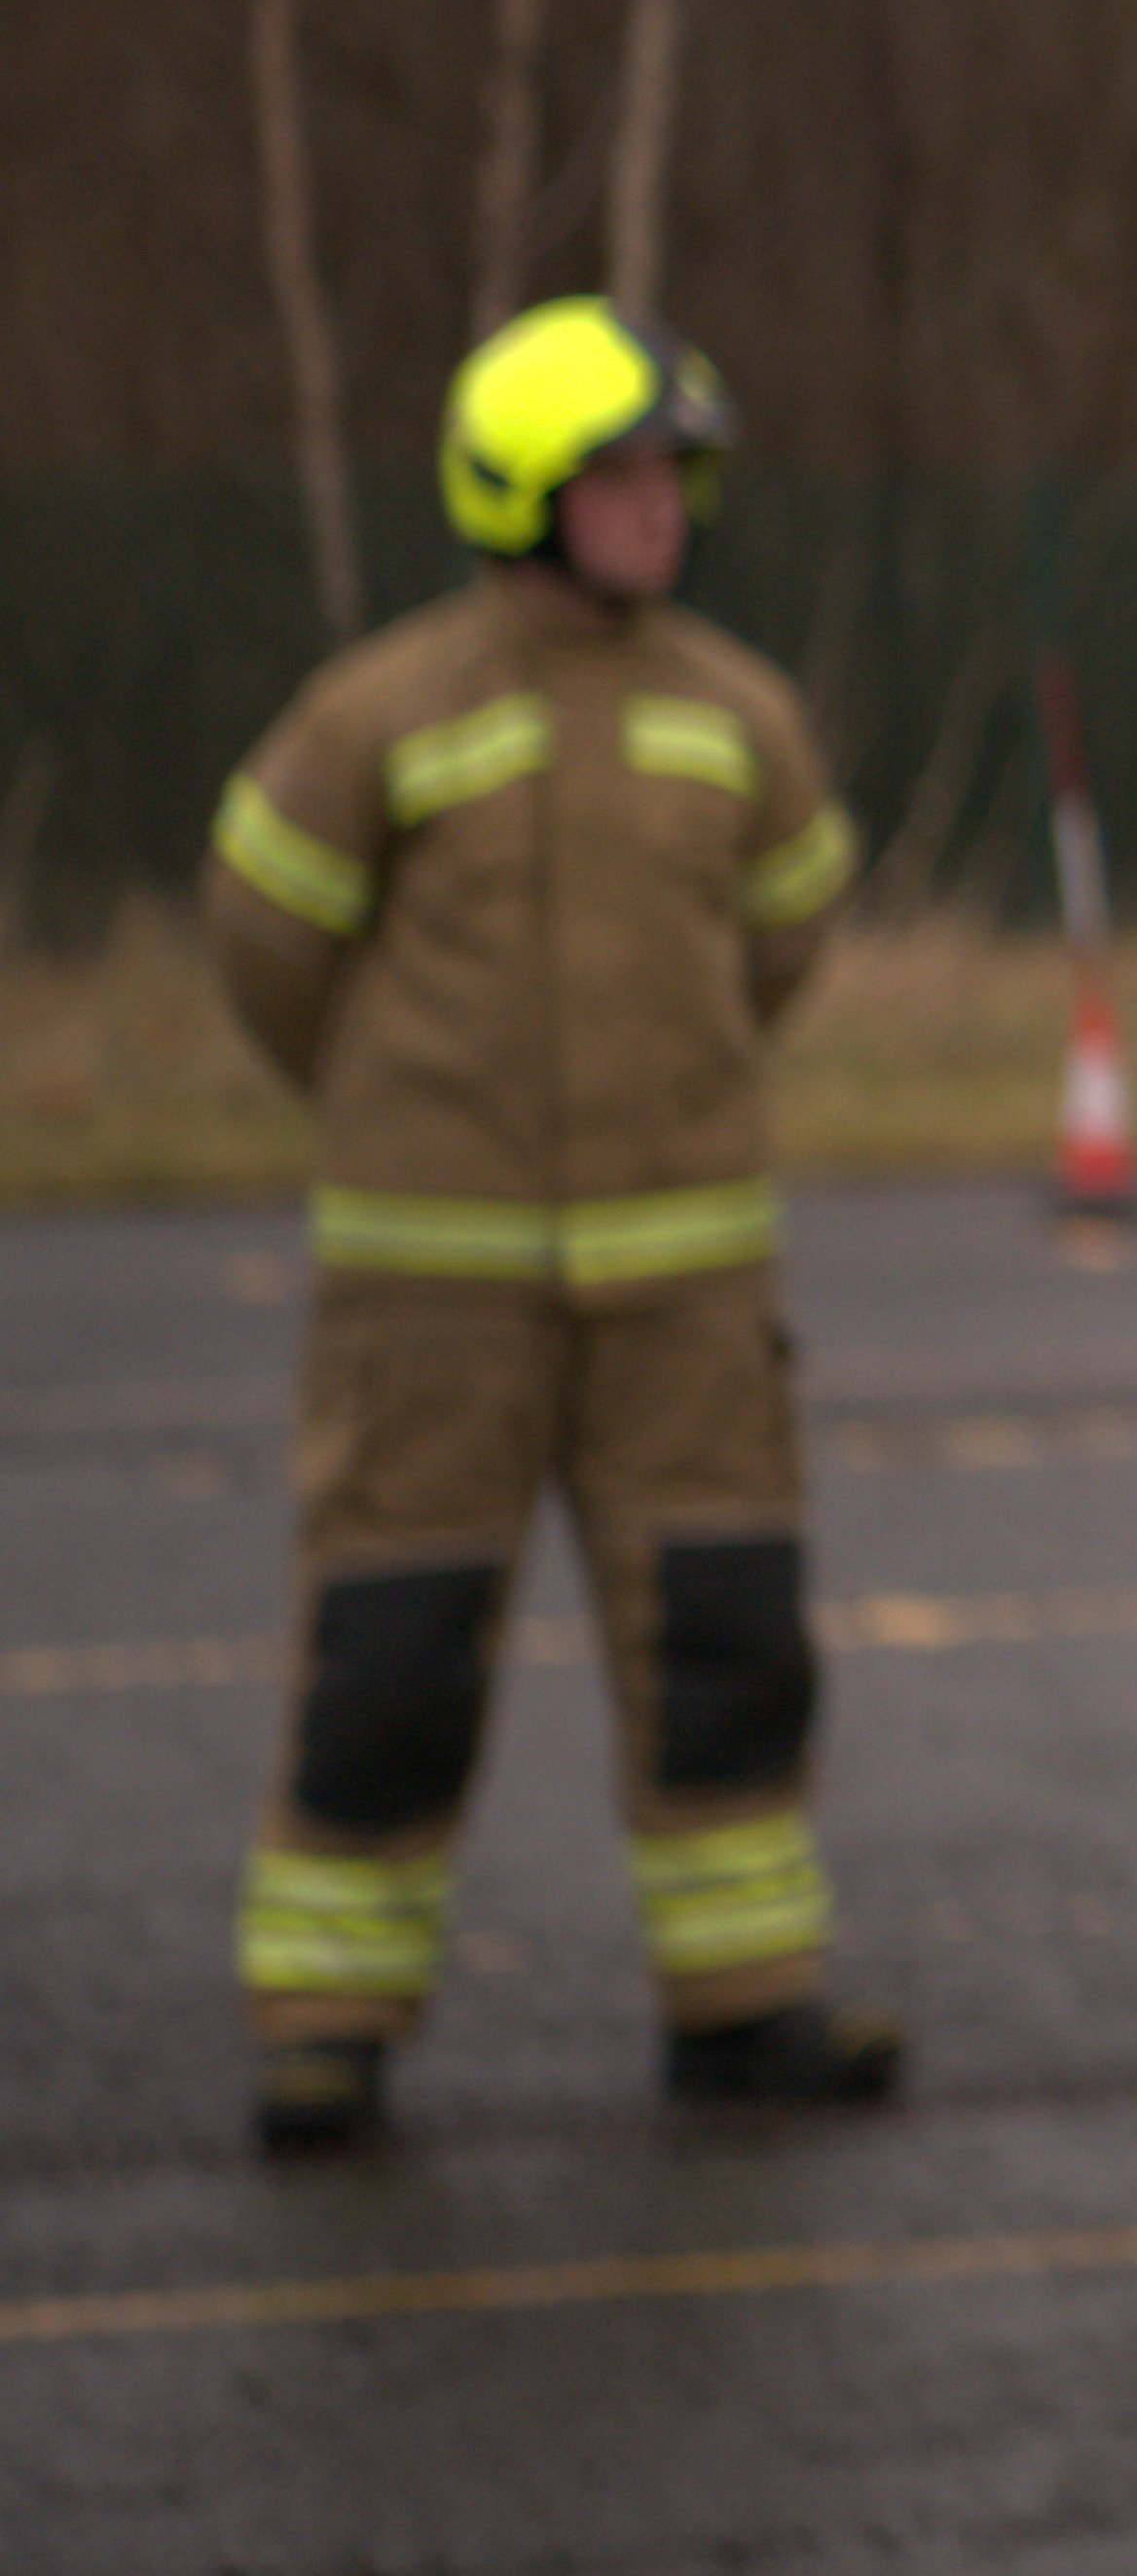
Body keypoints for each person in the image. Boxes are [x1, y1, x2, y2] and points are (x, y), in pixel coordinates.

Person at [199, 299, 905, 2148]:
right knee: (394, 1649)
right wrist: (400, 1111)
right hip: (431, 1302)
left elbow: (789, 930)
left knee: (728, 1641)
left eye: (674, 474)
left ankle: (744, 2004)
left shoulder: (738, 714)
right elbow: (267, 940)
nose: (663, 507)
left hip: (686, 1291)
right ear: (517, 496)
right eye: (621, 476)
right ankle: (329, 2023)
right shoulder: (379, 715)